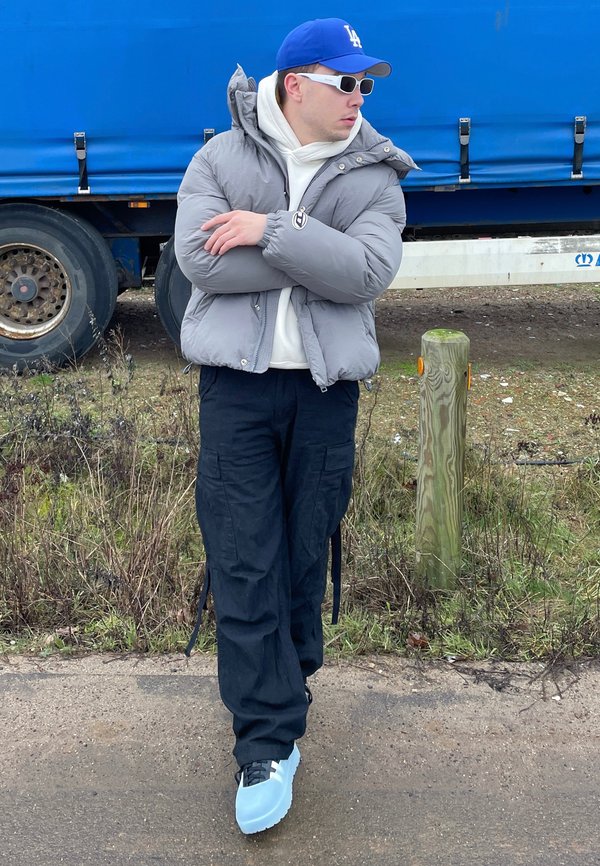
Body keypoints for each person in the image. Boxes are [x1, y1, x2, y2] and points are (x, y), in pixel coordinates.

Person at [174, 17, 416, 835]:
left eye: (365, 84)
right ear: (294, 84)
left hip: (324, 396)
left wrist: (269, 229)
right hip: (236, 394)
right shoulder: (219, 160)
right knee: (244, 559)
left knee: (303, 556)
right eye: (345, 81)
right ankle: (266, 740)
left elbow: (367, 273)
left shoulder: (376, 175)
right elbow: (200, 261)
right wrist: (317, 255)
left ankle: (288, 679)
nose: (358, 96)